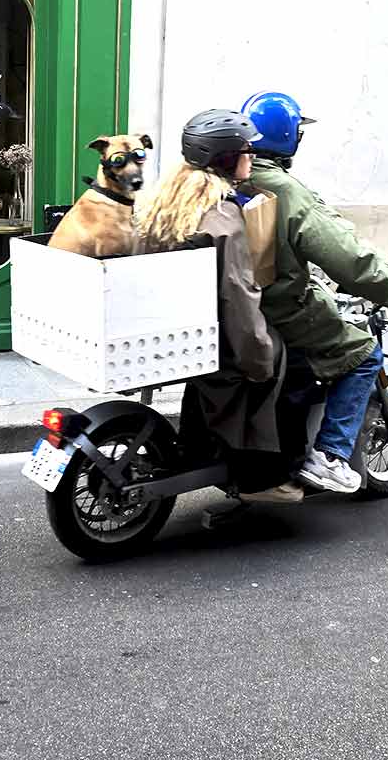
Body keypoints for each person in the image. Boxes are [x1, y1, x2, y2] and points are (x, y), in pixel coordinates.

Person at [240, 91, 388, 495]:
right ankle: (328, 456)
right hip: (283, 309)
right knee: (363, 354)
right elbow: (346, 256)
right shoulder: (283, 189)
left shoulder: (228, 177)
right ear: (289, 137)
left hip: (241, 307)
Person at [135, 109, 299, 503]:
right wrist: (259, 356)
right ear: (226, 159)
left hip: (165, 325)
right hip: (205, 331)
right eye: (246, 150)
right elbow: (239, 295)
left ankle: (203, 442)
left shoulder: (166, 199)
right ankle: (259, 476)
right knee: (274, 356)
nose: (252, 156)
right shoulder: (222, 214)